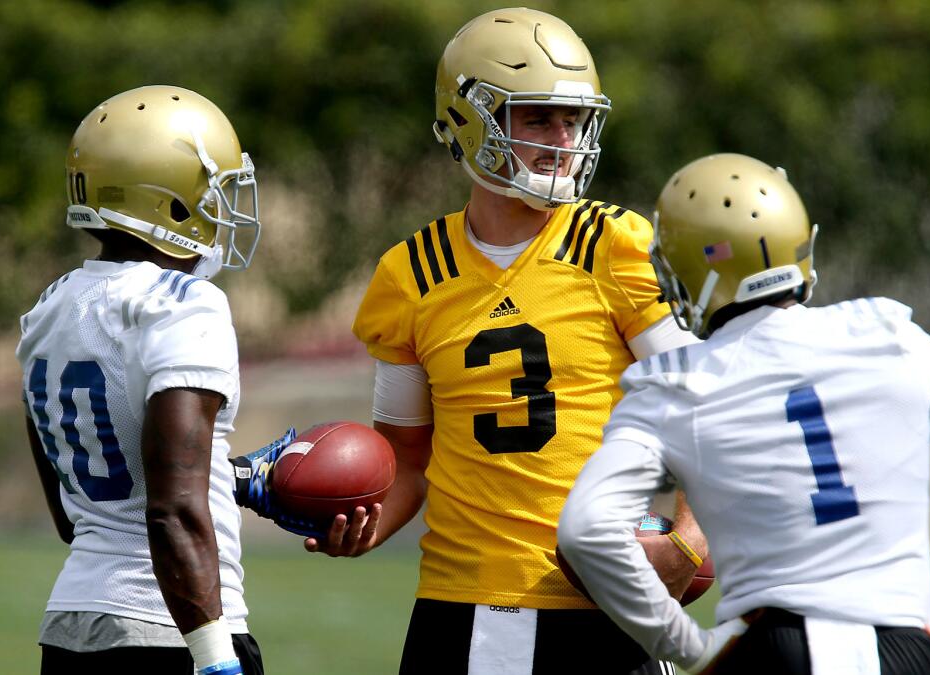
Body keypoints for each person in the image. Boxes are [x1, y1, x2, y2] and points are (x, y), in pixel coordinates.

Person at [291, 7, 703, 674]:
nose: (563, 139)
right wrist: (359, 521)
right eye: (538, 116)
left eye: (573, 119)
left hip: (602, 601)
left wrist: (687, 541)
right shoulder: (411, 273)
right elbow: (407, 458)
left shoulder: (617, 246)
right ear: (470, 120)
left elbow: (708, 407)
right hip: (461, 603)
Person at [558, 153, 930, 675]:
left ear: (686, 267)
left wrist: (686, 646)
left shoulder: (675, 383)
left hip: (773, 650)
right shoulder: (890, 334)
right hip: (907, 651)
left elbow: (586, 528)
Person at [18, 85, 266, 675]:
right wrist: (214, 658)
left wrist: (244, 479)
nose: (224, 207)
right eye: (214, 190)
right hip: (171, 629)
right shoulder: (183, 305)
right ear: (167, 197)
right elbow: (170, 510)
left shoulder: (49, 306)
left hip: (71, 629)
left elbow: (79, 501)